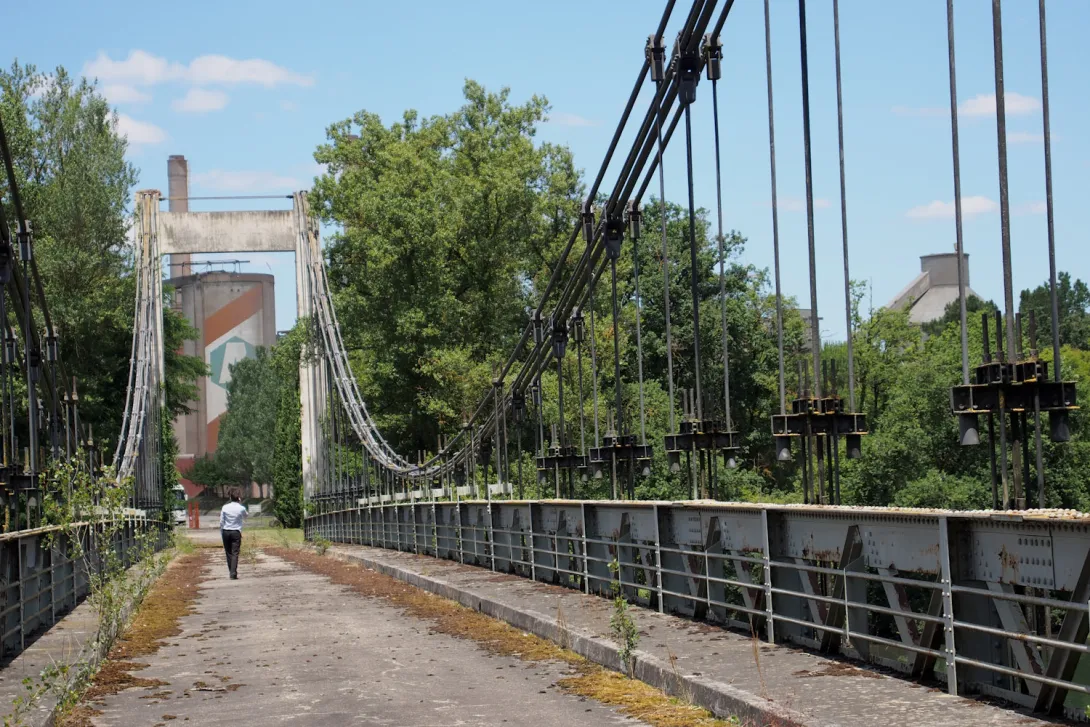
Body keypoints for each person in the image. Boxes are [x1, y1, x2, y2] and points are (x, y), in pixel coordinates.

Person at [219, 493, 248, 580]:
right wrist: (240, 504)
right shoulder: (241, 508)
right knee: (235, 553)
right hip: (236, 531)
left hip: (226, 531)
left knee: (228, 553)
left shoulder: (225, 507)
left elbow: (221, 521)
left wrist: (222, 531)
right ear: (239, 498)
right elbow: (246, 516)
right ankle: (233, 572)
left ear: (230, 498)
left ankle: (231, 571)